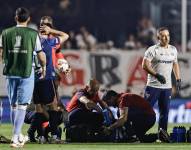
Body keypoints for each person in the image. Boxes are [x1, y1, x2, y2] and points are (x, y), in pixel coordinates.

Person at [0, 7, 46, 148]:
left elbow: (0, 53)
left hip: (10, 72)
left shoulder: (5, 33)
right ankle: (15, 138)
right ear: (28, 19)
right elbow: (40, 54)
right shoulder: (33, 34)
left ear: (15, 18)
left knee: (14, 105)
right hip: (26, 72)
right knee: (22, 106)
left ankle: (18, 134)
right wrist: (43, 67)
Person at [29, 16, 69, 143]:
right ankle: (55, 136)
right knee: (53, 107)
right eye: (44, 25)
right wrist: (51, 31)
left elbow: (58, 54)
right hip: (47, 77)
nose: (44, 27)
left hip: (34, 78)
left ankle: (39, 136)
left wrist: (63, 63)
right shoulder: (51, 41)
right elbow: (65, 35)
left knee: (39, 108)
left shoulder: (32, 40)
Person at [142, 27, 181, 132]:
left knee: (165, 112)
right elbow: (144, 65)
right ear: (158, 37)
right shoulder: (152, 49)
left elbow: (175, 64)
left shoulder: (173, 49)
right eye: (163, 36)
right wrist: (157, 75)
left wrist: (178, 79)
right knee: (145, 111)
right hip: (153, 86)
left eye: (167, 35)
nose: (166, 38)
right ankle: (138, 132)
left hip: (167, 87)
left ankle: (162, 134)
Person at [102, 90, 170, 142]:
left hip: (147, 117)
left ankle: (131, 136)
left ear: (112, 97)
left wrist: (109, 128)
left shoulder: (123, 99)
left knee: (120, 113)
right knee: (141, 138)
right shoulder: (123, 97)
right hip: (149, 118)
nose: (108, 105)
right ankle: (159, 135)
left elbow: (123, 119)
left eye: (108, 102)